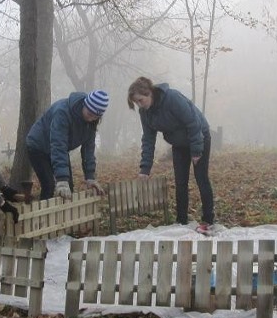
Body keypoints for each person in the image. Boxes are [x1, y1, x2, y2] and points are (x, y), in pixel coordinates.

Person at [127, 76, 215, 234]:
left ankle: (208, 220)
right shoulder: (145, 113)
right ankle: (181, 220)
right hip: (179, 144)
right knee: (180, 181)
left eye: (141, 100)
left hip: (199, 137)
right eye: (136, 102)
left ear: (149, 93)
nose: (140, 105)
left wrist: (196, 151)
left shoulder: (172, 98)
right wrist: (145, 169)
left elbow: (193, 122)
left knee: (201, 178)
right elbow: (148, 139)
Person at [26, 90, 109, 200]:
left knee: (68, 187)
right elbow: (58, 144)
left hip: (59, 148)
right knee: (49, 185)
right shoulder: (62, 112)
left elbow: (88, 149)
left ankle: (62, 216)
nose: (91, 119)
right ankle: (45, 216)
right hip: (38, 146)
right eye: (89, 114)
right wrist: (61, 179)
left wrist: (90, 177)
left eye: (95, 117)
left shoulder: (91, 123)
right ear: (84, 104)